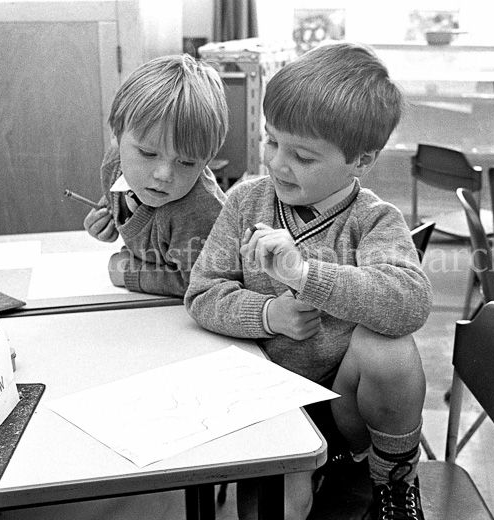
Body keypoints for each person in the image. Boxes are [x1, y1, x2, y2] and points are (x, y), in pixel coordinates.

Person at [185, 41, 432, 520]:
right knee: (279, 509)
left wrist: (305, 275)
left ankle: (393, 483)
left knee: (391, 347)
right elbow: (202, 293)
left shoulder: (373, 220)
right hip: (266, 400)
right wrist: (269, 314)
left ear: (361, 160)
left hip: (344, 405)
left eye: (302, 155)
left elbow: (411, 302)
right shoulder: (246, 202)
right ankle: (316, 469)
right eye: (271, 140)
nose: (277, 163)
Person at [83, 54, 228, 298]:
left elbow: (203, 282)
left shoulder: (199, 213)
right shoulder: (113, 164)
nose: (164, 175)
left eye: (187, 162)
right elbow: (119, 202)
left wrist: (129, 272)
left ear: (207, 160)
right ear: (116, 138)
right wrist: (104, 220)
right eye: (149, 153)